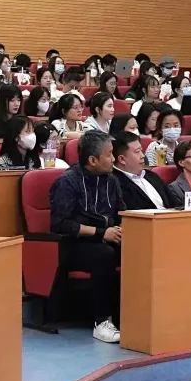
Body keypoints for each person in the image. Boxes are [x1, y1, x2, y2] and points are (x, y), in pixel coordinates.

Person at [49, 131, 124, 343]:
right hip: (74, 245)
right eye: (109, 154)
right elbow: (60, 224)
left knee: (140, 248)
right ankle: (102, 322)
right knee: (104, 254)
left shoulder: (112, 181)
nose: (113, 159)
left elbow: (121, 212)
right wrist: (101, 233)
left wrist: (124, 229)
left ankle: (135, 314)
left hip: (108, 237)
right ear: (92, 160)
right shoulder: (68, 182)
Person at [111, 131, 171, 210]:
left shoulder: (152, 176)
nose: (142, 156)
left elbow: (176, 204)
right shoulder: (113, 183)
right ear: (122, 159)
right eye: (137, 152)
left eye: (141, 151)